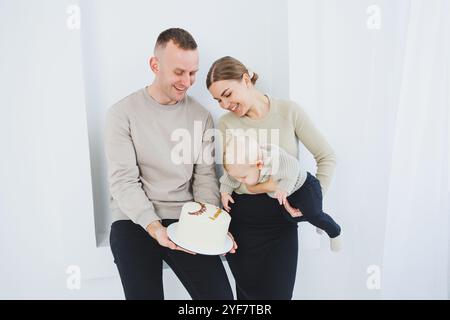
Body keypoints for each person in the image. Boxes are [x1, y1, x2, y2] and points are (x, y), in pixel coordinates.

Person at [105, 28, 236, 300]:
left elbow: (204, 178)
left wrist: (210, 228)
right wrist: (154, 227)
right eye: (179, 72)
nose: (187, 82)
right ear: (155, 65)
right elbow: (123, 182)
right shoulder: (121, 114)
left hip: (185, 218)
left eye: (192, 73)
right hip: (134, 221)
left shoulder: (201, 116)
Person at [206, 56, 338, 299]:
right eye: (218, 100)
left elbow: (327, 157)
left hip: (281, 224)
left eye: (227, 94)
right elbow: (236, 180)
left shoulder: (289, 112)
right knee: (247, 299)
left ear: (245, 79)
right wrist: (272, 185)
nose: (224, 104)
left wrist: (313, 200)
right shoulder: (226, 124)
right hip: (243, 226)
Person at [219, 134, 342, 251]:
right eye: (237, 178)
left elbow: (293, 166)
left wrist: (284, 188)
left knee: (314, 214)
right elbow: (231, 176)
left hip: (304, 186)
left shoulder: (274, 159)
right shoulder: (244, 166)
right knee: (290, 216)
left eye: (243, 178)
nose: (240, 181)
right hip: (286, 194)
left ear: (259, 164)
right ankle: (316, 219)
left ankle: (334, 231)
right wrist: (225, 191)